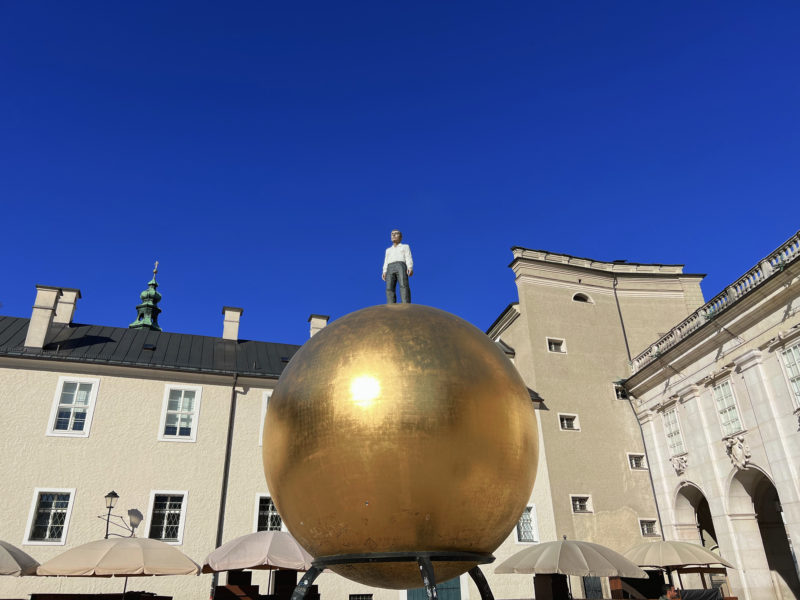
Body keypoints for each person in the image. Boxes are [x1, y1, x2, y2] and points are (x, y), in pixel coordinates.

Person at [382, 229, 413, 303]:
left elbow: (408, 257)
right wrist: (384, 271)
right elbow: (386, 261)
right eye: (392, 234)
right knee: (389, 287)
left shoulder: (405, 246)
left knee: (403, 284)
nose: (393, 235)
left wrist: (410, 267)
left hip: (401, 265)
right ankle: (391, 304)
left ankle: (405, 303)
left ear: (401, 237)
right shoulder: (388, 250)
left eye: (396, 233)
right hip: (390, 267)